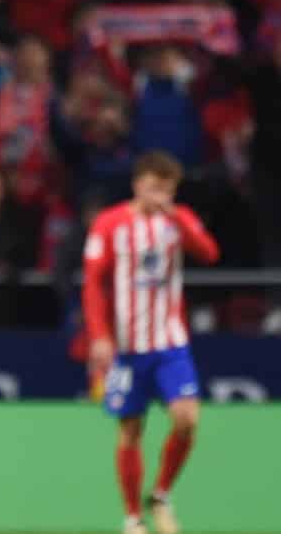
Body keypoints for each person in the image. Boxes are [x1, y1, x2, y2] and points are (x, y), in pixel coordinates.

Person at [82, 151, 220, 534]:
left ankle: (160, 494)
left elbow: (209, 252)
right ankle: (133, 519)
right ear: (137, 184)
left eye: (167, 189)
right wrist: (99, 335)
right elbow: (92, 284)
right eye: (153, 187)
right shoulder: (110, 224)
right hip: (127, 349)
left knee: (187, 419)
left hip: (170, 344)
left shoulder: (178, 220)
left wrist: (176, 216)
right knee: (130, 430)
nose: (160, 195)